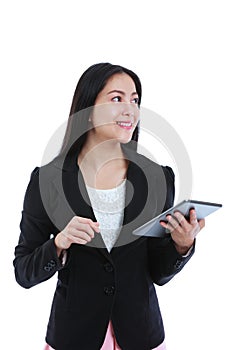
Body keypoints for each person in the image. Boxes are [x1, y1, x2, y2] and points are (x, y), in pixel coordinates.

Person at [13, 63, 205, 350]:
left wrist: (181, 246)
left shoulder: (157, 178)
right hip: (74, 337)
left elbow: (157, 272)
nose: (130, 109)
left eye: (135, 100)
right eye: (117, 99)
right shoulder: (48, 180)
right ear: (88, 110)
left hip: (142, 336)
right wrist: (59, 244)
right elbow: (24, 271)